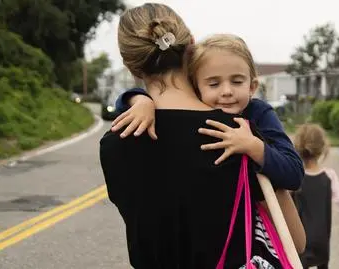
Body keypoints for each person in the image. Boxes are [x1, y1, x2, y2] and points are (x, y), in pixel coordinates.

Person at [99, 3, 294, 268]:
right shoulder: (235, 133)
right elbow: (294, 240)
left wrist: (139, 100)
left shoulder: (115, 143)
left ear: (131, 66)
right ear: (191, 45)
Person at [109, 34, 303, 191]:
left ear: (252, 87)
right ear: (196, 87)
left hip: (251, 221)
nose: (227, 91)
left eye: (237, 81)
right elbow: (121, 104)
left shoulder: (258, 113)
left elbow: (294, 173)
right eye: (214, 83)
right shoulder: (194, 109)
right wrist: (141, 101)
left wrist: (252, 145)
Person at [292, 124, 339, 269]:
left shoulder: (293, 178)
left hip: (298, 241)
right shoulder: (329, 176)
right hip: (322, 240)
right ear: (323, 148)